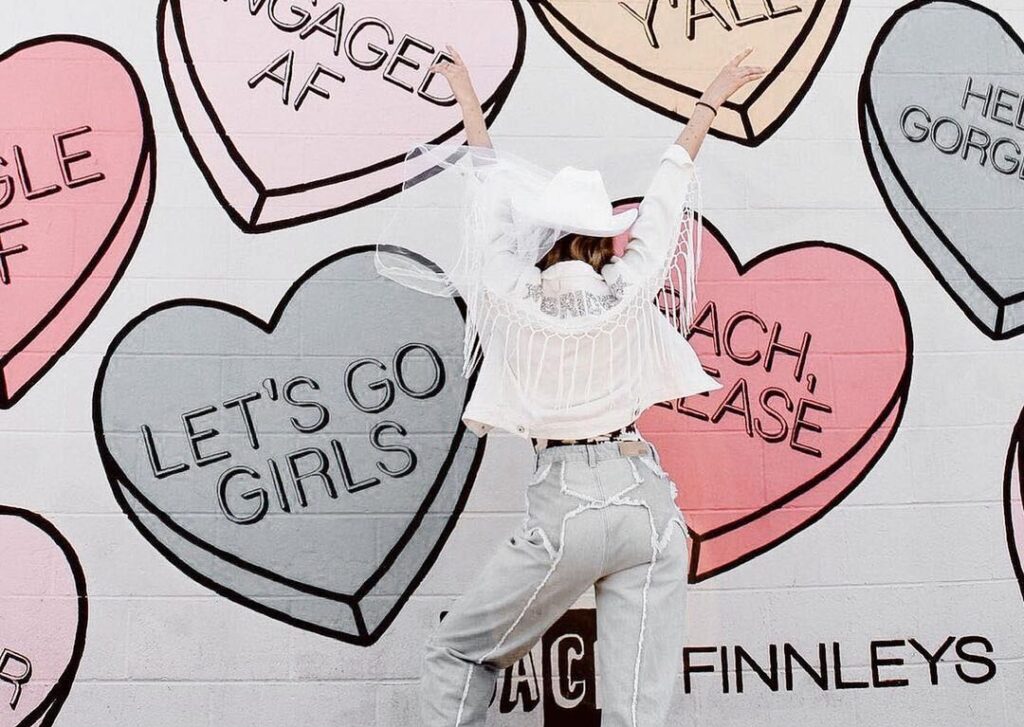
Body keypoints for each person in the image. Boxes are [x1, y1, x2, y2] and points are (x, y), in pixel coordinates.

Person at [380, 46, 764, 727]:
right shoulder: (626, 290)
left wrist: (469, 97)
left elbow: (486, 196)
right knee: (634, 716)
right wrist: (710, 99)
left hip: (569, 508)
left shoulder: (511, 293)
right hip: (649, 505)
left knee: (455, 653)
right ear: (603, 243)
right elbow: (668, 194)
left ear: (545, 240)